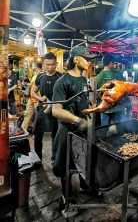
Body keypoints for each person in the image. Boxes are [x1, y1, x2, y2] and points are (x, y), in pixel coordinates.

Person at [52, 45, 96, 201]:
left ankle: (86, 186)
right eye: (87, 59)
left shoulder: (84, 79)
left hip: (83, 131)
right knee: (65, 166)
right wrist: (77, 120)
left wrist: (91, 109)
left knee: (84, 160)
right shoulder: (62, 81)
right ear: (76, 59)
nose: (89, 62)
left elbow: (84, 102)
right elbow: (56, 110)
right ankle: (66, 197)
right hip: (67, 131)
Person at [32, 52, 61, 161]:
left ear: (56, 64)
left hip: (55, 110)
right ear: (43, 64)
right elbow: (33, 92)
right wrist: (41, 98)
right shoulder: (40, 76)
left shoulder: (60, 77)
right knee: (37, 134)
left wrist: (54, 102)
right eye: (47, 65)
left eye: (52, 64)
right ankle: (37, 158)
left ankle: (54, 158)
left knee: (55, 135)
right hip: (42, 108)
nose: (50, 67)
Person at [96, 54, 131, 126]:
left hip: (104, 107)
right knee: (118, 127)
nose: (115, 65)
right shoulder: (118, 74)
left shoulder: (98, 76)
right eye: (114, 63)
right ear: (111, 63)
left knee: (104, 128)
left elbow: (96, 94)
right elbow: (124, 89)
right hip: (117, 107)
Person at [21, 62, 43, 132]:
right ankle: (23, 129)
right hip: (31, 98)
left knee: (39, 116)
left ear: (37, 67)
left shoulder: (42, 75)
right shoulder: (34, 75)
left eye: (34, 65)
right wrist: (27, 84)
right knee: (27, 113)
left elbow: (39, 87)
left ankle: (37, 131)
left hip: (37, 98)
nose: (32, 67)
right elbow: (32, 85)